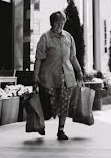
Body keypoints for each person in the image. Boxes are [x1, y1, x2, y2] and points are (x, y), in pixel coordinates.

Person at [34, 11, 83, 141]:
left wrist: (79, 71)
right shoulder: (45, 38)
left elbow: (72, 57)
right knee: (48, 105)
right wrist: (35, 76)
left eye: (62, 23)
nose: (60, 25)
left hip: (66, 77)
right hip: (48, 77)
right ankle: (40, 123)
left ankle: (61, 130)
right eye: (57, 23)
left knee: (64, 104)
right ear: (52, 23)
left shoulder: (68, 37)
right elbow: (39, 58)